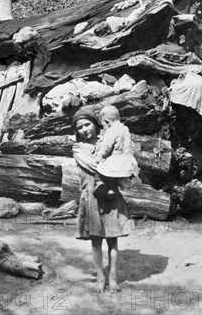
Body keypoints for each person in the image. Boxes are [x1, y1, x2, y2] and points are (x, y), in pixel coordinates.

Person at [72, 106, 133, 294]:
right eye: (80, 127)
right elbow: (94, 165)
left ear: (96, 124)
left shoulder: (106, 139)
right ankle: (100, 276)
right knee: (96, 241)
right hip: (91, 196)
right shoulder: (78, 148)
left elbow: (124, 155)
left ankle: (113, 277)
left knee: (113, 240)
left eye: (87, 124)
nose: (84, 130)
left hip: (110, 195)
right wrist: (114, 159)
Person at [93, 105, 139, 201]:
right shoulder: (125, 129)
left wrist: (99, 155)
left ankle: (106, 187)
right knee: (116, 175)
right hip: (126, 160)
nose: (103, 128)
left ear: (107, 122)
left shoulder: (111, 131)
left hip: (115, 161)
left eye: (103, 125)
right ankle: (115, 188)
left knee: (101, 169)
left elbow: (107, 148)